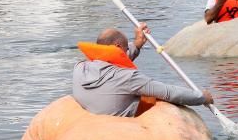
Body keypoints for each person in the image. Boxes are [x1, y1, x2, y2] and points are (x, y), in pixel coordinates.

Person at [72, 24, 214, 117]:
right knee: (154, 98)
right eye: (126, 48)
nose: (127, 52)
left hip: (92, 124)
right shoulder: (128, 78)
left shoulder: (79, 68)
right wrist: (201, 97)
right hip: (119, 130)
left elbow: (113, 59)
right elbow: (169, 92)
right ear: (118, 46)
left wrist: (137, 45)